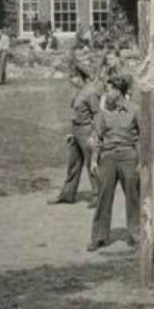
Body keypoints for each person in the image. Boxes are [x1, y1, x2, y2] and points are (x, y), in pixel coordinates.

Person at [87, 74, 140, 251]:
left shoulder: (134, 110)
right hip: (108, 157)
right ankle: (99, 236)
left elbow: (143, 137)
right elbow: (97, 138)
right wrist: (94, 160)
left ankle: (136, 234)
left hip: (128, 157)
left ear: (118, 91)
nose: (105, 93)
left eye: (109, 90)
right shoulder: (103, 113)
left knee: (133, 197)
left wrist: (141, 162)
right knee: (103, 196)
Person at [49, 65, 102, 205]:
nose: (71, 80)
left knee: (92, 163)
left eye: (73, 77)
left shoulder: (90, 92)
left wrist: (94, 135)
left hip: (86, 131)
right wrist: (71, 132)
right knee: (73, 164)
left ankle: (98, 196)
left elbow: (97, 114)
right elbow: (75, 114)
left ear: (80, 77)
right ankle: (67, 194)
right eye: (70, 77)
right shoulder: (79, 92)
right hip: (76, 130)